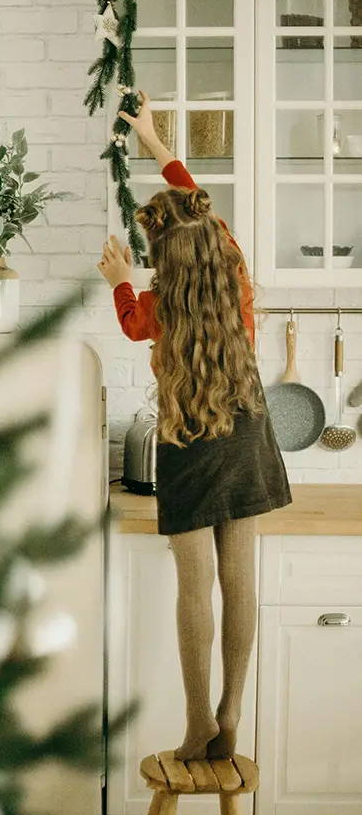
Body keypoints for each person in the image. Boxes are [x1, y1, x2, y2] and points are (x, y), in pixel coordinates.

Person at [98, 90, 292, 761]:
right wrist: (154, 141)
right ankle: (231, 708)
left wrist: (123, 279)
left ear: (164, 263)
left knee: (194, 587)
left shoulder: (157, 305)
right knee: (241, 579)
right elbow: (195, 199)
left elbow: (129, 326)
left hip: (186, 436)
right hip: (245, 431)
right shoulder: (233, 267)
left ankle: (195, 724)